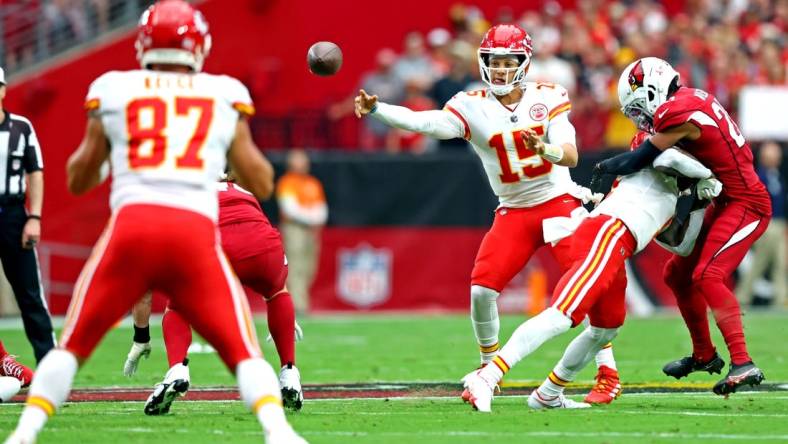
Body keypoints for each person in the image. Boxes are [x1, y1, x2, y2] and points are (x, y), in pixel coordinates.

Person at [4, 2, 305, 443]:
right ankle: (279, 433)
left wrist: (107, 147)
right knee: (241, 347)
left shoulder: (112, 88)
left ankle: (23, 434)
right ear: (198, 44)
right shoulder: (223, 92)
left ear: (143, 43)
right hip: (193, 232)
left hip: (134, 226)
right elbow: (261, 180)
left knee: (71, 344)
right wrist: (227, 140)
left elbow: (78, 176)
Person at [354, 24, 620, 404]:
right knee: (481, 290)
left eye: (507, 62)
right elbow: (427, 122)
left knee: (585, 289)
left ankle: (607, 372)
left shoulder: (548, 97)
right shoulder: (471, 104)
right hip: (513, 209)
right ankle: (488, 368)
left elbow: (571, 154)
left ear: (524, 64)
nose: (498, 70)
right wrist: (379, 109)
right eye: (493, 62)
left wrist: (544, 149)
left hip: (558, 201)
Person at [462, 131, 722, 412]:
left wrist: (697, 201)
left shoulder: (680, 185)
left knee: (605, 329)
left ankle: (549, 393)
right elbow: (670, 157)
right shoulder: (662, 158)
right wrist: (709, 174)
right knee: (563, 315)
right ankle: (488, 377)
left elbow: (681, 245)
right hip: (605, 234)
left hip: (619, 247)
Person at [589, 57, 771, 396]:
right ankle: (704, 354)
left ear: (654, 91)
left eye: (640, 108)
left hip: (747, 203)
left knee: (708, 275)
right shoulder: (690, 98)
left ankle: (743, 362)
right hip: (726, 199)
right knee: (677, 274)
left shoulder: (678, 112)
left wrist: (601, 167)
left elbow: (639, 159)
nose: (642, 119)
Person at [123, 173, 304, 414]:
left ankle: (177, 369)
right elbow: (254, 237)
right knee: (277, 293)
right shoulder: (244, 192)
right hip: (263, 248)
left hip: (218, 243)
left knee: (178, 306)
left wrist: (141, 336)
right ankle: (289, 373)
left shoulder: (177, 195)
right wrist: (285, 316)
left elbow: (144, 289)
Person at [0, 66, 56, 364]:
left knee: (30, 294)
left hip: (12, 215)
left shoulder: (20, 128)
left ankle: (49, 366)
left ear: (3, 90)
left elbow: (36, 172)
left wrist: (34, 217)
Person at [735, 141, 786, 307]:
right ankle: (741, 296)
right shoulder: (758, 176)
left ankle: (782, 298)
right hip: (766, 224)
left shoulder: (778, 175)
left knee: (781, 262)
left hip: (779, 223)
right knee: (760, 262)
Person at [276, 150, 327, 315]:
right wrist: (312, 218)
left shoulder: (313, 183)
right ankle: (299, 306)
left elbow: (321, 208)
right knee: (296, 265)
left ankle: (300, 299)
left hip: (311, 230)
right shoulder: (287, 183)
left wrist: (316, 220)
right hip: (294, 229)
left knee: (309, 266)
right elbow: (290, 210)